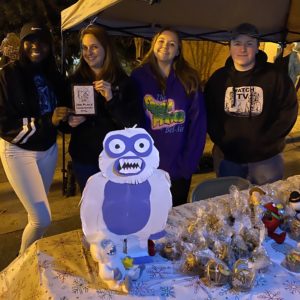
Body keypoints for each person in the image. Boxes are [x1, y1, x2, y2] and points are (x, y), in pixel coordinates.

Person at [0, 22, 71, 254]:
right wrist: (47, 121)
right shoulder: (7, 75)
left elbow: (63, 111)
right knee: (41, 218)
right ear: (21, 44)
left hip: (48, 149)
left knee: (38, 216)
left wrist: (70, 119)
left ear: (49, 46)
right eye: (29, 40)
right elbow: (4, 123)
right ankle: (21, 269)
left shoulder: (55, 76)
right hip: (18, 150)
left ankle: (36, 259)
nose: (35, 46)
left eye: (41, 41)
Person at [204, 23, 298, 185]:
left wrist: (268, 141)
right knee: (232, 206)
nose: (243, 49)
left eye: (249, 44)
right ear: (230, 47)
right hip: (229, 159)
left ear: (257, 47)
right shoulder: (218, 79)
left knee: (267, 205)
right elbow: (209, 113)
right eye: (237, 44)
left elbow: (288, 110)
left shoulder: (275, 77)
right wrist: (222, 140)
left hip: (267, 161)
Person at [131, 28, 207, 206]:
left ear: (178, 51)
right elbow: (132, 120)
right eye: (161, 41)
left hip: (178, 168)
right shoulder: (138, 77)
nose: (166, 46)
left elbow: (198, 125)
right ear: (154, 44)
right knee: (148, 218)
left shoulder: (189, 79)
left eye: (172, 44)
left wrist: (187, 165)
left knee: (175, 220)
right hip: (147, 167)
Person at [67, 25, 142, 193]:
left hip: (115, 158)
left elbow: (132, 123)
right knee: (91, 208)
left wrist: (111, 98)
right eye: (85, 48)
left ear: (106, 49)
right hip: (84, 158)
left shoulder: (124, 82)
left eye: (94, 47)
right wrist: (69, 121)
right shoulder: (74, 80)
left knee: (116, 207)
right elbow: (64, 121)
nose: (89, 52)